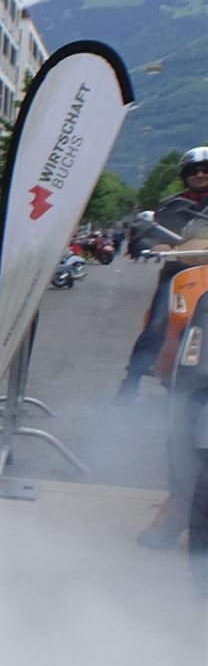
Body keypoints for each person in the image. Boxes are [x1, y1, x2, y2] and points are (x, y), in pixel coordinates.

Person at [118, 145, 208, 546]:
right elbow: (153, 240)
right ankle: (139, 372)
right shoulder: (172, 207)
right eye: (195, 170)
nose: (201, 175)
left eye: (207, 169)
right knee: (159, 322)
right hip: (189, 293)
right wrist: (159, 246)